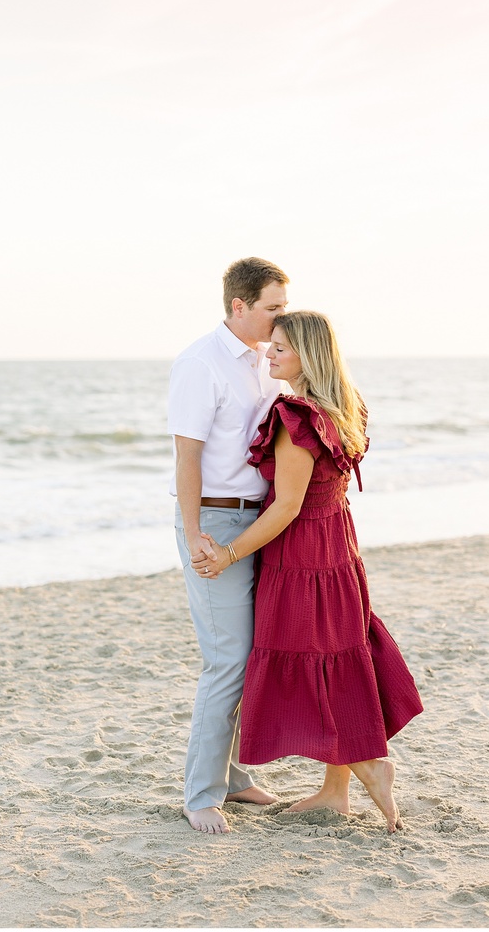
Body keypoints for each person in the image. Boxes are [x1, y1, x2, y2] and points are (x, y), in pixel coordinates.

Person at [191, 310, 423, 833]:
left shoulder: (295, 416)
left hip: (302, 557)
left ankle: (367, 765)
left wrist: (228, 554)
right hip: (339, 547)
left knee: (316, 662)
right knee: (337, 657)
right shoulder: (345, 404)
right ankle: (333, 791)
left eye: (279, 349)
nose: (268, 355)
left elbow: (286, 507)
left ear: (306, 356)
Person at [168, 257, 290, 835]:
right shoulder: (200, 363)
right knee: (226, 660)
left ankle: (235, 778)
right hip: (215, 521)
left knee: (254, 653)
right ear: (239, 306)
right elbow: (187, 456)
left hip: (263, 520)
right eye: (272, 307)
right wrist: (194, 534)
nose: (280, 317)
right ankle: (201, 793)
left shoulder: (269, 360)